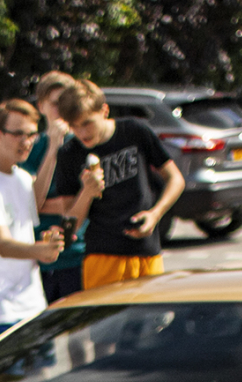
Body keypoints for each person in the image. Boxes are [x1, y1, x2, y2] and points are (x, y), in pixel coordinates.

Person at [45, 78, 185, 289]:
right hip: (102, 256)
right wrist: (87, 192)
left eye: (87, 123)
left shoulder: (134, 131)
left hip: (146, 252)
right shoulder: (69, 154)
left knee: (150, 320)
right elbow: (70, 221)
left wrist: (155, 214)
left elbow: (176, 179)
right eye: (74, 126)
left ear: (104, 110)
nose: (82, 133)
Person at [0, 98, 66, 346]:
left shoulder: (22, 178)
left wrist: (52, 148)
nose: (26, 142)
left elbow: (35, 203)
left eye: (31, 135)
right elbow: (2, 245)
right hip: (0, 314)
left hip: (34, 307)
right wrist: (40, 250)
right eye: (18, 134)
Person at [25, 72, 89, 301]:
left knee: (80, 335)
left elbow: (89, 199)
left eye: (66, 103)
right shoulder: (31, 147)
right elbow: (31, 204)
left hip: (78, 254)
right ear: (41, 107)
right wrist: (53, 147)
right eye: (54, 104)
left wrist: (57, 205)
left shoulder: (84, 145)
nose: (61, 110)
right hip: (42, 259)